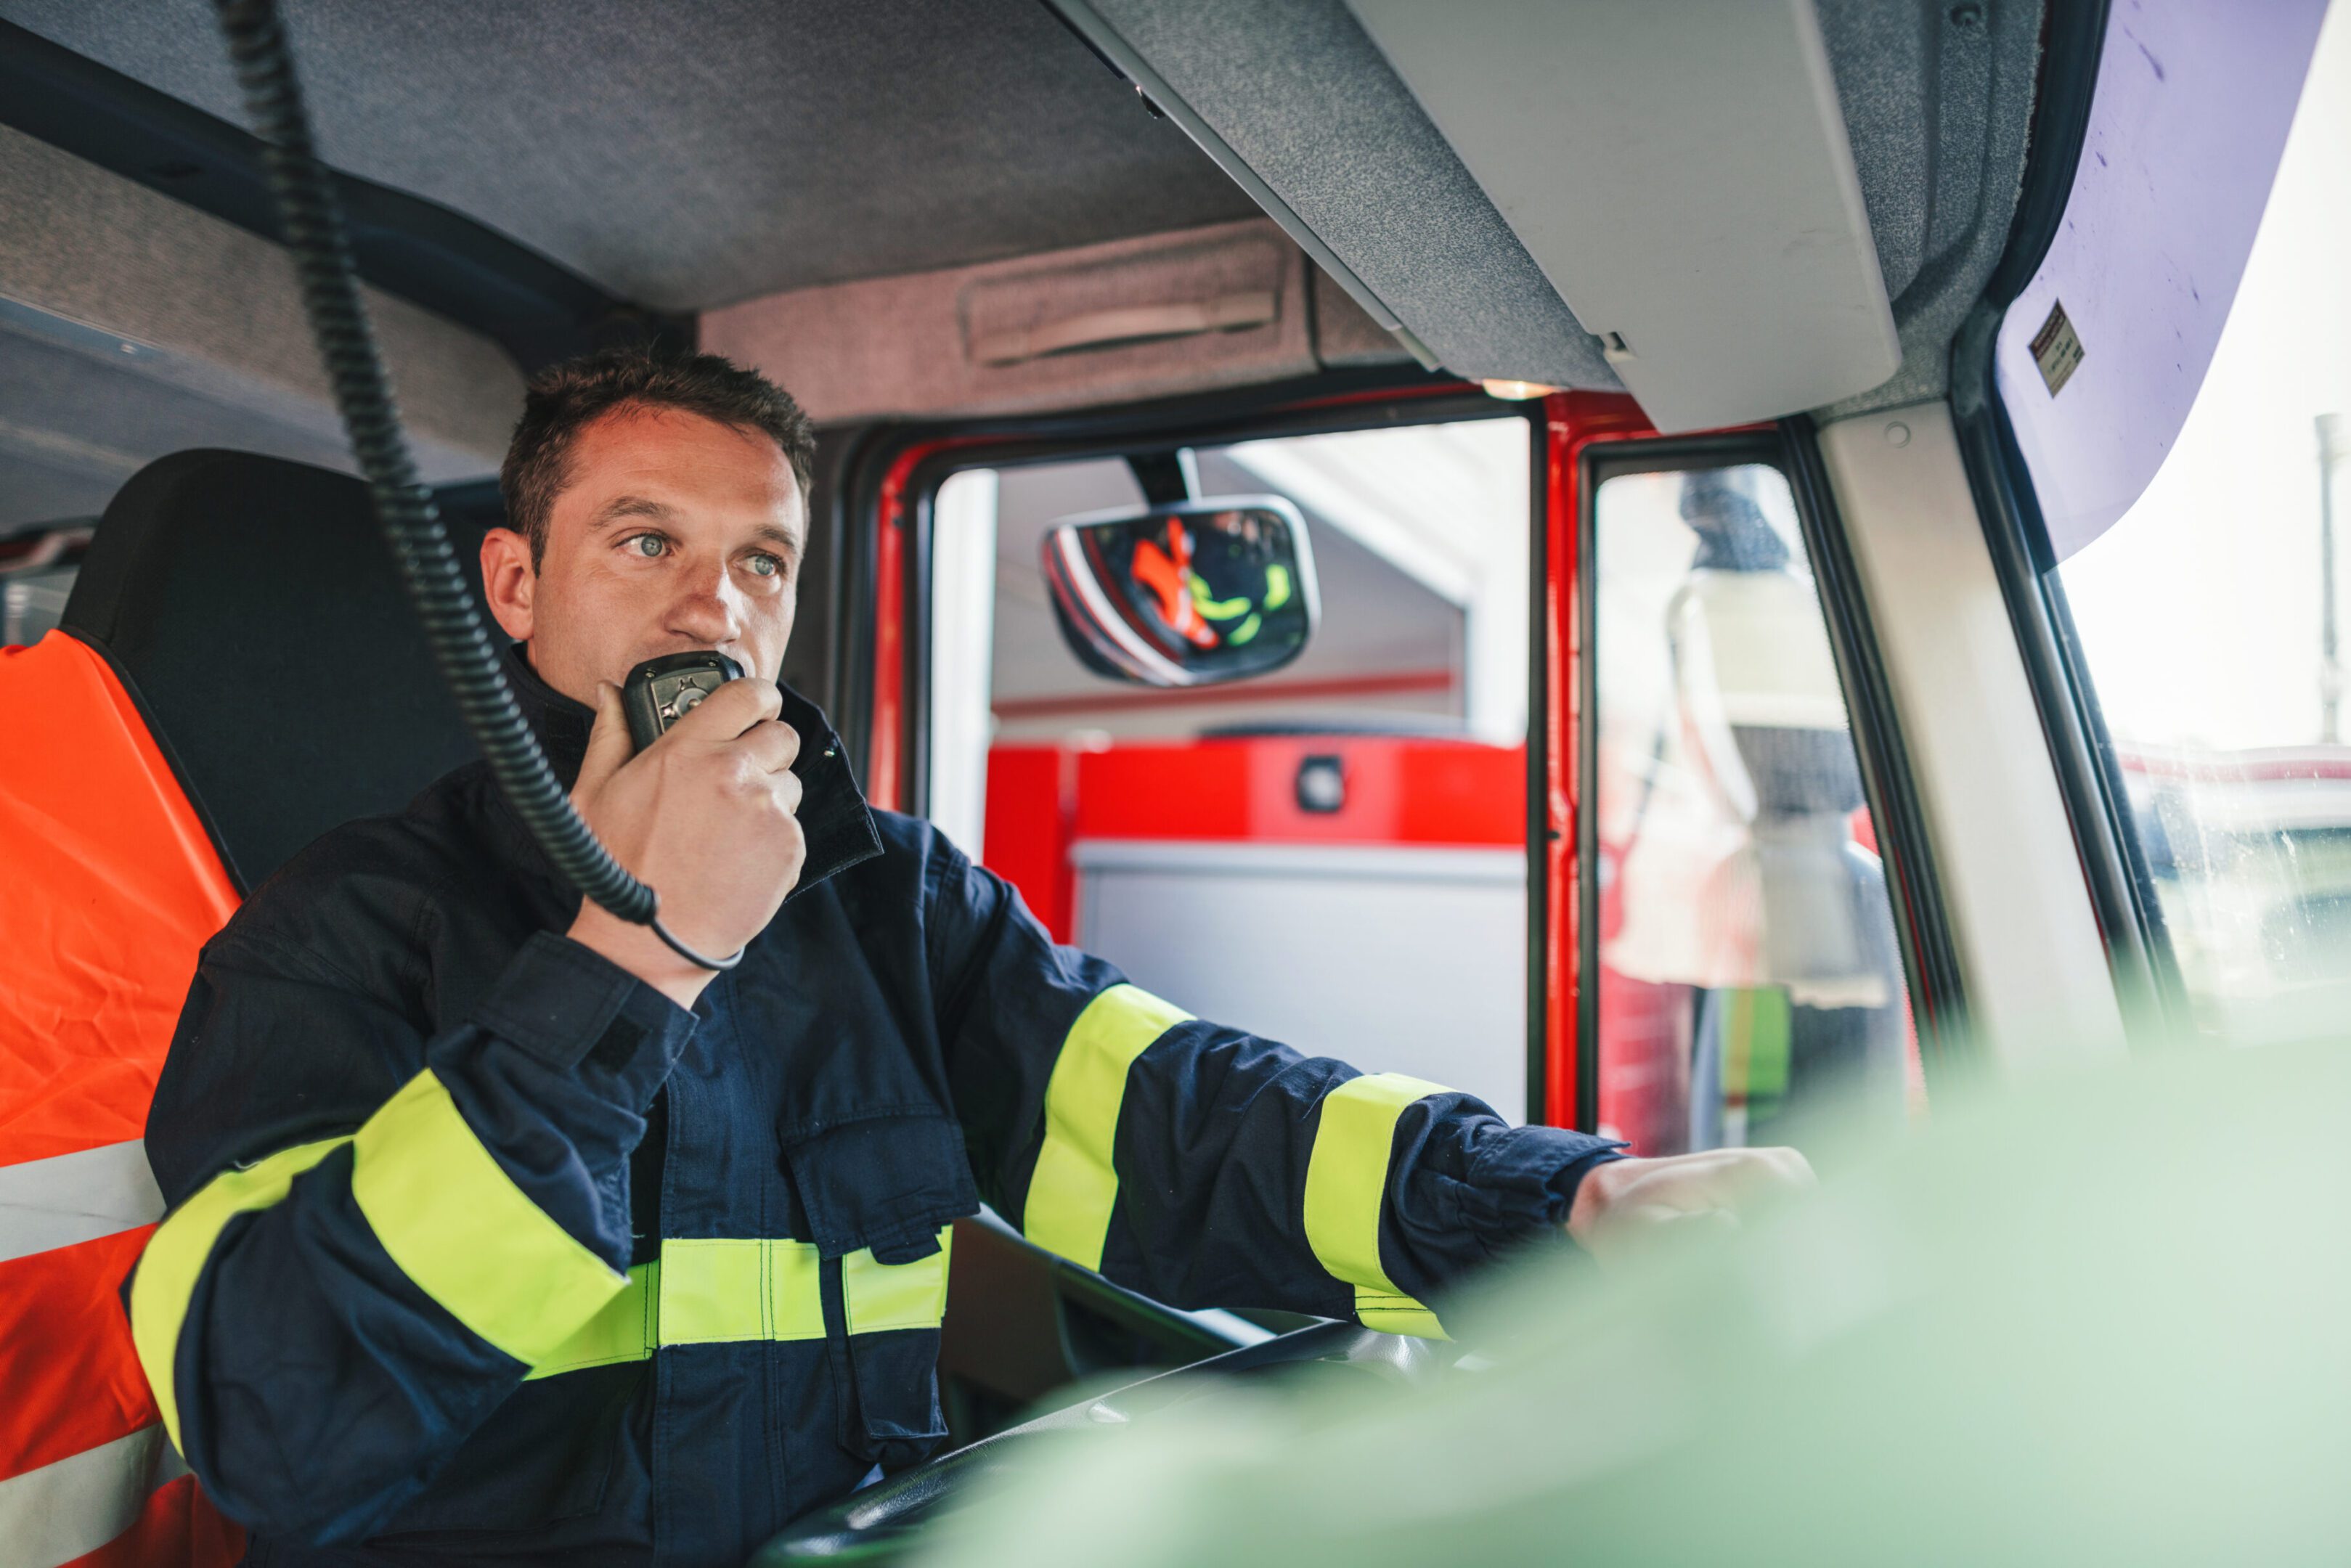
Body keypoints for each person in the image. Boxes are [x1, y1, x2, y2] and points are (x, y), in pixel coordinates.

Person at [128, 349, 1812, 1566]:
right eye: (646, 544)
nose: (713, 609)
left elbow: (1171, 1118)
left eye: (760, 562)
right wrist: (633, 961)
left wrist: (1554, 1203)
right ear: (517, 584)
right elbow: (275, 1418)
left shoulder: (886, 899)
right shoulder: (336, 931)